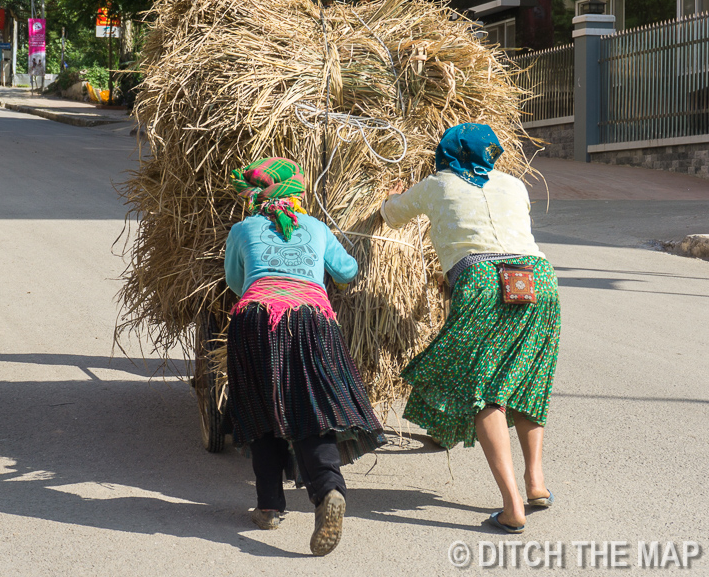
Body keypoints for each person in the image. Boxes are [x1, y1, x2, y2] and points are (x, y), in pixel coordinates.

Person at [380, 123, 560, 534]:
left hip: (482, 282)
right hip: (538, 279)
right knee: (528, 382)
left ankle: (512, 505)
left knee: (483, 391)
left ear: (446, 153)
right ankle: (536, 484)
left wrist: (393, 192)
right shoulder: (514, 184)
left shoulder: (436, 183)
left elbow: (391, 216)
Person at [224, 157, 386, 556]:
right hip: (313, 320)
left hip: (255, 319)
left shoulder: (243, 229)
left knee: (261, 408)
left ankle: (268, 506)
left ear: (258, 195)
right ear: (297, 195)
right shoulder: (316, 227)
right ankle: (328, 489)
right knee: (312, 410)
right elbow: (347, 272)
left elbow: (234, 280)